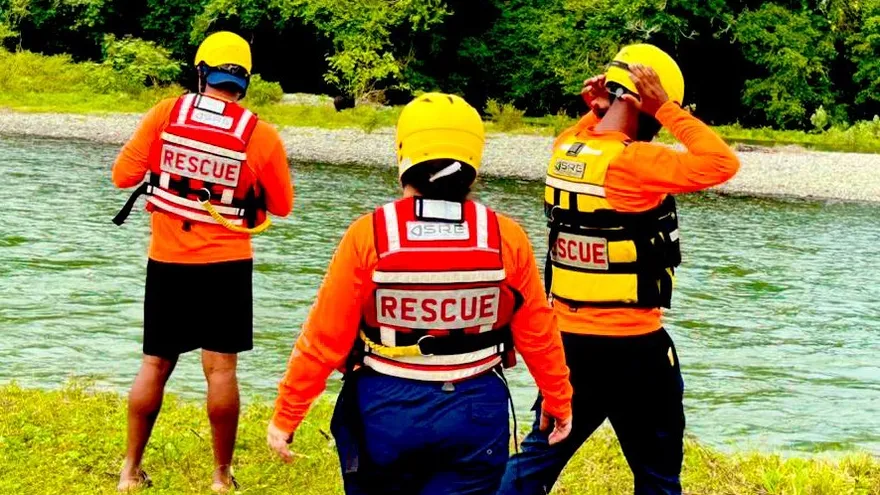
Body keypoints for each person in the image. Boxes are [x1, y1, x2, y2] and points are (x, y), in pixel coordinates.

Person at [266, 92, 574, 495]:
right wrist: (558, 399)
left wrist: (287, 416)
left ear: (403, 156)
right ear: (474, 166)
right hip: (477, 410)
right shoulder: (505, 237)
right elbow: (538, 330)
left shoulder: (371, 234)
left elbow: (325, 337)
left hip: (386, 410)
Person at [497, 44, 741, 495]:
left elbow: (592, 135)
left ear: (607, 95)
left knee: (536, 461)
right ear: (641, 100)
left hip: (567, 345)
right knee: (657, 476)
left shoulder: (565, 149)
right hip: (636, 350)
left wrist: (597, 111)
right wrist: (667, 108)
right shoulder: (636, 163)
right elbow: (722, 163)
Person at [110, 31, 294, 493]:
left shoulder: (165, 114)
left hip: (167, 261)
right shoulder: (260, 134)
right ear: (245, 80)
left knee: (154, 364)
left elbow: (121, 177)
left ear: (200, 70)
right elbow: (283, 205)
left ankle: (129, 473)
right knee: (222, 370)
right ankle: (220, 477)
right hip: (226, 265)